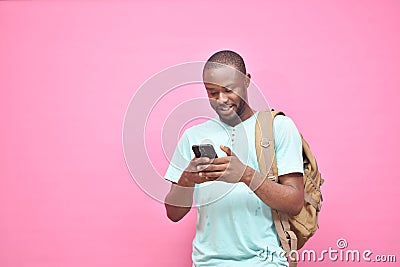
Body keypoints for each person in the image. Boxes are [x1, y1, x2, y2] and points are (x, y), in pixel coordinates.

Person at [164, 50, 304, 267]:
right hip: (206, 263)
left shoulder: (279, 128)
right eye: (212, 92)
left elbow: (295, 203)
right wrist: (188, 179)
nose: (221, 100)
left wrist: (246, 175)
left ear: (247, 82)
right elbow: (173, 214)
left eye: (229, 90)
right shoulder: (193, 136)